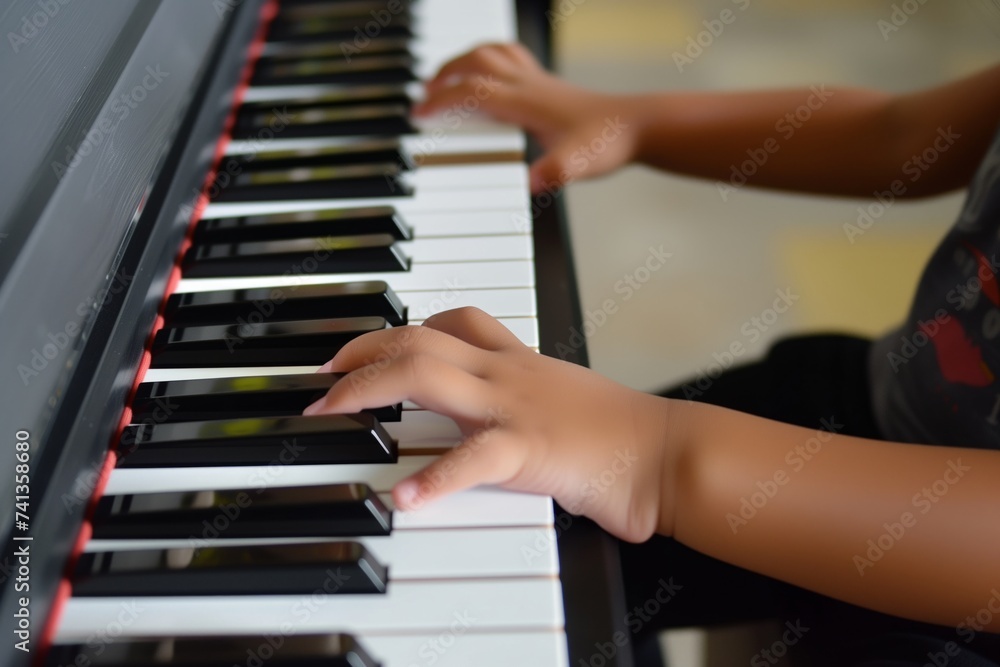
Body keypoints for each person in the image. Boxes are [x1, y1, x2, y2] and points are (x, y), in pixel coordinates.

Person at [303, 43, 1000, 665]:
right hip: (870, 408)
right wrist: (637, 122)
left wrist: (652, 458)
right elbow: (903, 133)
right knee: (523, 538)